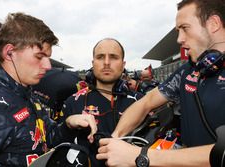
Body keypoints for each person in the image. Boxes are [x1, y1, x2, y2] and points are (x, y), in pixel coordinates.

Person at [96, 0, 225, 166]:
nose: (179, 39)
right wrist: (115, 138)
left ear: (214, 23)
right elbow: (146, 103)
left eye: (184, 28)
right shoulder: (188, 70)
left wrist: (140, 155)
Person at [0, 12, 97, 167]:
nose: (48, 66)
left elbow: (49, 138)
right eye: (39, 57)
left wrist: (68, 124)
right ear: (9, 53)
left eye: (48, 57)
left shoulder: (28, 95)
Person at [60, 38, 143, 166]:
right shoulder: (73, 102)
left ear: (123, 64)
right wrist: (67, 125)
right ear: (93, 63)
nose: (106, 62)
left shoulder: (141, 102)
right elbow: (57, 147)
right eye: (100, 57)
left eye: (114, 57)